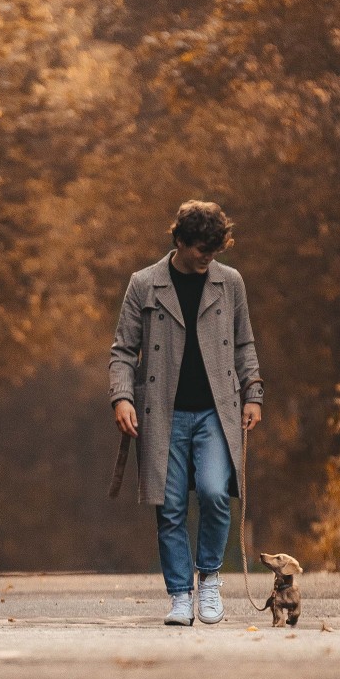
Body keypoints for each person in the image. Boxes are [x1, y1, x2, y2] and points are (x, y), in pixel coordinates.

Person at [109, 200, 263, 626]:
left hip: (217, 410)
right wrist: (122, 396)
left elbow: (244, 343)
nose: (208, 258)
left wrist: (254, 392)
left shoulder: (229, 282)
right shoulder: (144, 284)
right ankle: (180, 594)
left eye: (214, 251)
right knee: (171, 505)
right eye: (200, 250)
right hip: (163, 413)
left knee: (216, 492)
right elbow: (123, 349)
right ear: (179, 241)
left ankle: (209, 578)